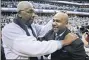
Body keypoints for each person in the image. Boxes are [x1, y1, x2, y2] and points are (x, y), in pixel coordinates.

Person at [2, 1, 78, 60]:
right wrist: (63, 42)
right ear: (19, 14)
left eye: (33, 12)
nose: (33, 15)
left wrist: (56, 19)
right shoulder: (10, 29)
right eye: (29, 11)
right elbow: (33, 48)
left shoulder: (31, 26)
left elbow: (44, 30)